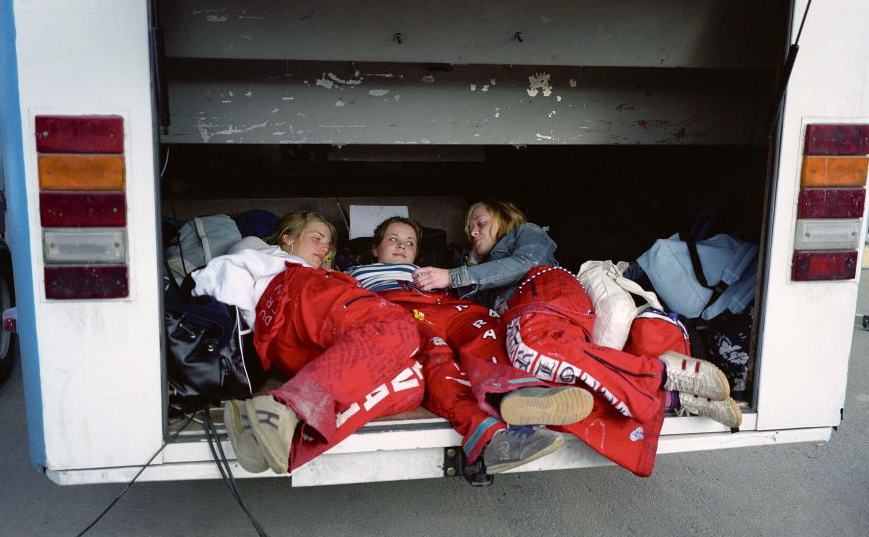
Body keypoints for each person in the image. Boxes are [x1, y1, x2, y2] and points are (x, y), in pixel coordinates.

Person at [412, 200, 742, 478]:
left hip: (545, 290)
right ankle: (675, 399)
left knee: (531, 352)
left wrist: (455, 276)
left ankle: (662, 372)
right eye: (470, 228)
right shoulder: (480, 271)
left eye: (481, 223)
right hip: (528, 315)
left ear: (505, 218)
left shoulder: (525, 234)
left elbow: (524, 264)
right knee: (552, 395)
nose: (473, 231)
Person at [347, 216, 593, 474]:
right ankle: (495, 439)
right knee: (437, 356)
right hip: (399, 309)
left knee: (487, 333)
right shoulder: (352, 275)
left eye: (409, 243)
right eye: (393, 239)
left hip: (448, 307)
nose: (401, 246)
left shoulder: (429, 273)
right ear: (375, 248)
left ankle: (520, 394)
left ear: (417, 253)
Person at [195, 211, 428, 476]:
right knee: (401, 328)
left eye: (327, 244)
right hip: (297, 296)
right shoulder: (268, 254)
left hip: (283, 342)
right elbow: (227, 266)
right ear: (287, 239)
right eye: (316, 238)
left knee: (411, 381)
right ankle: (285, 407)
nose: (325, 248)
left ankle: (277, 438)